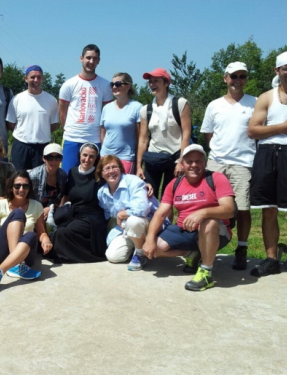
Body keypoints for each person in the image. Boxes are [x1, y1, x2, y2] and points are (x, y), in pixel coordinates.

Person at [142, 144, 235, 291]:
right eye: (189, 161)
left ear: (205, 163)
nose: (194, 165)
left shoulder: (216, 178)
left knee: (208, 222)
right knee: (156, 247)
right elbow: (161, 213)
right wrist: (149, 239)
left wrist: (203, 213)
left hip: (215, 231)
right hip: (184, 231)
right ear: (182, 164)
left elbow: (229, 209)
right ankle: (191, 253)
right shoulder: (175, 183)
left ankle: (205, 272)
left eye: (198, 161)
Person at [200, 61, 257, 271]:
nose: (237, 80)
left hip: (244, 162)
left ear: (246, 79)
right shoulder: (214, 105)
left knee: (242, 209)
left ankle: (241, 249)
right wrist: (219, 152)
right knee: (211, 208)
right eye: (234, 76)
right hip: (217, 162)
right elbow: (208, 134)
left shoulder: (255, 103)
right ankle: (206, 248)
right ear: (225, 78)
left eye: (242, 76)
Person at [247, 51, 287, 277]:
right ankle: (271, 259)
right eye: (286, 68)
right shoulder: (267, 97)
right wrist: (281, 128)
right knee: (268, 209)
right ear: (278, 71)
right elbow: (253, 130)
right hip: (268, 152)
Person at [0, 171, 52, 288]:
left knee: (31, 235)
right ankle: (14, 264)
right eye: (17, 186)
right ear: (11, 188)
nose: (21, 189)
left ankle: (0, 271)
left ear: (29, 188)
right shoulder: (0, 204)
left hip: (24, 256)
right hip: (2, 251)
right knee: (18, 213)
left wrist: (46, 241)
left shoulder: (36, 206)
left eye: (25, 186)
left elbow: (41, 232)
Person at [97, 155, 166, 271]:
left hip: (149, 223)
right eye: (107, 168)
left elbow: (142, 208)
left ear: (121, 169)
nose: (111, 171)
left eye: (115, 167)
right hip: (125, 228)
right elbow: (108, 216)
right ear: (101, 173)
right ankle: (138, 245)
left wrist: (122, 214)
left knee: (133, 220)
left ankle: (140, 254)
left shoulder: (133, 181)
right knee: (113, 256)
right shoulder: (102, 193)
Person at [136, 68, 192, 199]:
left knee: (170, 198)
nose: (152, 84)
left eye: (156, 81)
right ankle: (151, 220)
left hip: (174, 157)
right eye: (150, 81)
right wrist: (139, 166)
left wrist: (181, 161)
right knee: (149, 196)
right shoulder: (146, 109)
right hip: (153, 158)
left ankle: (167, 220)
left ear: (166, 83)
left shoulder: (180, 103)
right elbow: (143, 139)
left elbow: (186, 134)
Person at [59, 44, 113, 173]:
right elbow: (62, 111)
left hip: (94, 138)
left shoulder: (105, 85)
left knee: (94, 177)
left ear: (98, 61)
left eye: (94, 59)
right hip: (72, 137)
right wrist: (67, 129)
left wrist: (102, 138)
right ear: (81, 58)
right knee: (67, 175)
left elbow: (107, 114)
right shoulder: (69, 84)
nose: (91, 61)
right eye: (88, 58)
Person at [48, 143, 107, 263]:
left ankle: (71, 254)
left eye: (92, 156)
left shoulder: (99, 176)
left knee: (63, 233)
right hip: (74, 213)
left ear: (96, 158)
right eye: (84, 155)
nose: (87, 159)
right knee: (55, 229)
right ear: (79, 155)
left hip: (92, 217)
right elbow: (66, 196)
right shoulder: (73, 172)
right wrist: (58, 210)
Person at [7, 65, 59, 170]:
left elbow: (54, 125)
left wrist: (40, 132)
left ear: (42, 79)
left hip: (42, 147)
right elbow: (11, 123)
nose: (36, 80)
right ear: (26, 79)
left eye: (39, 77)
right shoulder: (17, 99)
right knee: (18, 179)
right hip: (21, 146)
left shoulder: (51, 100)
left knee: (40, 181)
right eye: (32, 77)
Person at [100, 72, 142, 173]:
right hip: (106, 156)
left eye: (118, 84)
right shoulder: (106, 108)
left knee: (123, 187)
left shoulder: (137, 107)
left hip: (126, 157)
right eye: (112, 84)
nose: (114, 87)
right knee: (105, 187)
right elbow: (102, 133)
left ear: (127, 86)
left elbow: (140, 138)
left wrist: (138, 163)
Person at [28, 143, 67, 221]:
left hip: (53, 210)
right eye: (50, 158)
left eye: (57, 157)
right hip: (33, 210)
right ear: (44, 159)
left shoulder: (63, 175)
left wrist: (51, 208)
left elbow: (62, 198)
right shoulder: (33, 175)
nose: (54, 161)